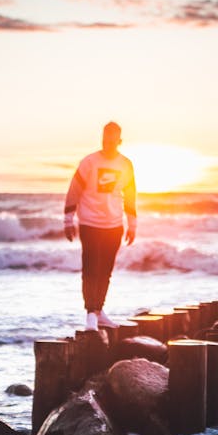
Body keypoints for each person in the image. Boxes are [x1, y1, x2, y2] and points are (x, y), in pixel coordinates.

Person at [64, 121, 137, 331]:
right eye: (105, 139)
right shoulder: (89, 162)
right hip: (89, 222)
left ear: (119, 141)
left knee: (106, 270)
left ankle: (99, 311)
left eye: (112, 140)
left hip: (114, 224)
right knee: (90, 269)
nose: (107, 143)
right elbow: (74, 190)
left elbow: (130, 196)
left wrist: (132, 224)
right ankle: (90, 313)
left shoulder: (126, 164)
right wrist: (68, 220)